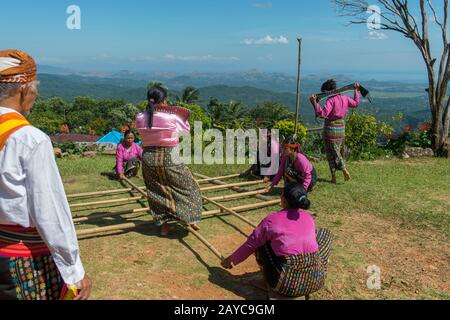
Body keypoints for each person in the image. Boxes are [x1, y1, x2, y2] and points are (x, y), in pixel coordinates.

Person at [0, 50, 91, 300]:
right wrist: (74, 272)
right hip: (22, 261)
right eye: (35, 87)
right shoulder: (30, 139)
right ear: (23, 89)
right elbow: (49, 212)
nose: (36, 94)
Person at [221, 183, 332, 298]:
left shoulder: (271, 220)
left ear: (283, 199)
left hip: (285, 285)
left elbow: (250, 245)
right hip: (316, 279)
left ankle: (268, 281)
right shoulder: (308, 217)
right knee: (322, 234)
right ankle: (310, 271)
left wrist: (231, 260)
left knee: (261, 244)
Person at [135, 85, 202, 236]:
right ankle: (190, 219)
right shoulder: (172, 117)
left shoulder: (140, 117)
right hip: (170, 157)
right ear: (164, 100)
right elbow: (186, 131)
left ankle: (164, 225)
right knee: (188, 186)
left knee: (156, 191)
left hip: (149, 158)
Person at [310, 80, 360, 184]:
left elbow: (322, 114)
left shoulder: (331, 100)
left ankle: (343, 170)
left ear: (327, 91)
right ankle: (334, 177)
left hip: (330, 127)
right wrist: (356, 90)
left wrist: (314, 102)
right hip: (341, 127)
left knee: (331, 152)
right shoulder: (345, 98)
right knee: (338, 150)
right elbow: (355, 104)